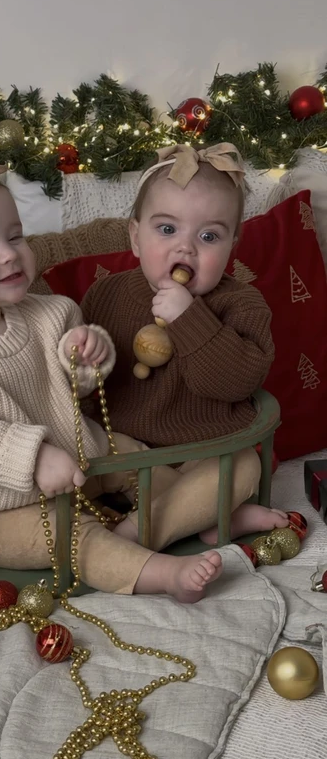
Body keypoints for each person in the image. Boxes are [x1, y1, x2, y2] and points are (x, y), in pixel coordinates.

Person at [0, 154, 225, 600]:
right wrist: (32, 457)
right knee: (73, 535)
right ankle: (159, 573)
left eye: (15, 236)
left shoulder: (51, 312)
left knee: (142, 459)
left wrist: (86, 359)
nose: (10, 254)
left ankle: (184, 513)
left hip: (78, 457)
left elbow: (76, 392)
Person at [81, 143, 288, 559]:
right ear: (136, 237)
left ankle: (136, 537)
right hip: (129, 456)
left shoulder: (243, 305)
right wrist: (85, 363)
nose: (186, 248)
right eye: (167, 229)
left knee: (245, 466)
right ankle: (211, 519)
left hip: (205, 454)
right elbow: (85, 390)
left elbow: (234, 383)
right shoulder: (106, 293)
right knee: (78, 450)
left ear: (232, 245)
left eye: (208, 236)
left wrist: (188, 319)